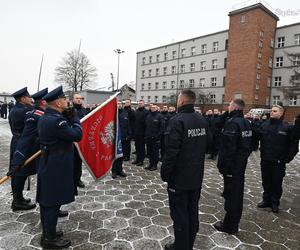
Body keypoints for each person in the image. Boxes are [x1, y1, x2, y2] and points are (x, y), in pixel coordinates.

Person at [161, 90, 211, 250]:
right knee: (192, 210)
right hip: (196, 175)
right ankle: (187, 244)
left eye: (178, 99)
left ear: (182, 101)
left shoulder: (177, 121)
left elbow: (171, 152)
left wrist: (166, 174)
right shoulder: (202, 120)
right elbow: (210, 144)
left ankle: (182, 246)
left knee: (180, 214)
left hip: (180, 178)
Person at [37, 86, 82, 249]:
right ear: (57, 103)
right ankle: (49, 238)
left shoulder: (46, 116)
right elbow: (77, 135)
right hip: (56, 164)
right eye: (64, 99)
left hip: (50, 161)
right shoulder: (57, 120)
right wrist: (75, 119)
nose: (66, 101)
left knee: (48, 200)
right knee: (51, 201)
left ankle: (49, 232)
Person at [214, 99, 252, 234]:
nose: (227, 107)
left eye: (229, 105)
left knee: (232, 196)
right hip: (240, 164)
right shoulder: (246, 122)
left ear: (234, 107)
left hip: (232, 166)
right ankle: (233, 223)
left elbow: (228, 148)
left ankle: (230, 226)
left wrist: (223, 166)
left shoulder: (233, 123)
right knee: (236, 194)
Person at [254, 104, 298, 213]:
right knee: (266, 181)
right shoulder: (264, 125)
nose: (271, 112)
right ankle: (266, 200)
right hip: (265, 159)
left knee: (277, 183)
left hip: (278, 162)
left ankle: (275, 203)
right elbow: (256, 137)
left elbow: (294, 146)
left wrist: (287, 159)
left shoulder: (287, 127)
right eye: (271, 111)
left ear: (281, 113)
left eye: (274, 111)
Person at [7, 87, 34, 211]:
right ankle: (17, 202)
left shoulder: (16, 109)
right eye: (29, 97)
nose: (31, 99)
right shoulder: (23, 111)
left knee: (20, 171)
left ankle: (19, 198)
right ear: (23, 98)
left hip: (18, 141)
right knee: (19, 172)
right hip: (21, 143)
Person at [72, 93, 88, 189]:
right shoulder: (69, 111)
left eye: (80, 98)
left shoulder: (85, 111)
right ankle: (71, 180)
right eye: (76, 98)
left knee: (79, 162)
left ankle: (78, 179)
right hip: (71, 141)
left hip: (81, 140)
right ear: (73, 100)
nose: (79, 100)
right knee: (71, 162)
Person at [111, 100, 128, 178]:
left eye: (121, 104)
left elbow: (128, 125)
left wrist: (128, 134)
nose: (119, 105)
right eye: (118, 104)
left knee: (121, 155)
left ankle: (120, 170)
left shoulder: (125, 113)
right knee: (115, 155)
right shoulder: (113, 113)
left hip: (123, 137)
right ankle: (114, 171)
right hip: (115, 138)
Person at [145, 105, 164, 171]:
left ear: (157, 109)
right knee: (150, 152)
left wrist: (157, 136)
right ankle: (150, 164)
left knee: (155, 152)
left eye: (154, 108)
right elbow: (146, 126)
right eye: (152, 108)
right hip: (149, 137)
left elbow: (162, 128)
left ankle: (154, 165)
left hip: (155, 138)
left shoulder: (159, 116)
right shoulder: (148, 116)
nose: (152, 109)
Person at [132, 99, 148, 166]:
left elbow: (146, 123)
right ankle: (137, 159)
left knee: (141, 147)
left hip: (142, 133)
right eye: (139, 103)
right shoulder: (136, 111)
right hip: (136, 132)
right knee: (137, 147)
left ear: (144, 104)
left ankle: (141, 160)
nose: (140, 104)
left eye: (141, 103)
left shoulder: (146, 112)